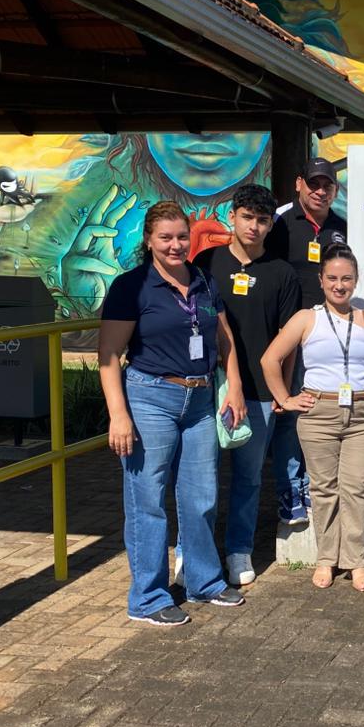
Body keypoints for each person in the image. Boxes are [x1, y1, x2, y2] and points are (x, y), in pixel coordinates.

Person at [99, 201, 247, 626]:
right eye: (165, 237)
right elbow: (108, 354)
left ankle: (204, 582)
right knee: (148, 501)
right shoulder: (132, 286)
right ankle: (148, 597)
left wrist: (233, 386)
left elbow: (225, 338)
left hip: (201, 402)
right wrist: (118, 414)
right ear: (149, 240)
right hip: (150, 398)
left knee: (201, 495)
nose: (175, 245)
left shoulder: (201, 280)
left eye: (181, 236)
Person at [260, 244, 364, 592]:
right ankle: (326, 558)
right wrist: (285, 399)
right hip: (318, 413)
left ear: (356, 281)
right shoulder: (307, 319)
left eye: (347, 278)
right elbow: (270, 360)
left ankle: (355, 562)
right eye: (333, 278)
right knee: (323, 489)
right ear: (321, 280)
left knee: (356, 488)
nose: (340, 285)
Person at [183, 185, 301, 588]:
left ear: (270, 225)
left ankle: (238, 551)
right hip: (205, 390)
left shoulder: (282, 273)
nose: (254, 226)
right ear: (232, 216)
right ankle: (188, 551)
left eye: (263, 220)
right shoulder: (205, 262)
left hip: (259, 395)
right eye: (247, 216)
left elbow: (289, 341)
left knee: (249, 480)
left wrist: (282, 394)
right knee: (200, 478)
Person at [265, 157, 348, 526]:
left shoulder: (341, 227)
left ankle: (315, 486)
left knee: (320, 411)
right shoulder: (281, 222)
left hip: (328, 336)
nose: (320, 190)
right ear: (300, 184)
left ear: (335, 189)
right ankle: (290, 489)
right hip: (289, 334)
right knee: (290, 413)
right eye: (313, 183)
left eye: (326, 185)